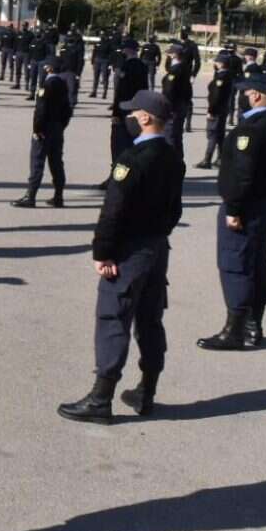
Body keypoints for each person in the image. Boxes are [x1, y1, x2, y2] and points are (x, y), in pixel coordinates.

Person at [58, 90, 184, 422]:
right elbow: (175, 210)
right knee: (150, 319)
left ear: (144, 118)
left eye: (132, 113)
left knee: (113, 318)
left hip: (129, 251)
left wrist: (103, 252)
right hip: (157, 248)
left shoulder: (131, 160)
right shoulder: (172, 157)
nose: (128, 118)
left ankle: (101, 398)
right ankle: (147, 388)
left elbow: (113, 211)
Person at [198, 74, 266, 351]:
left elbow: (242, 173)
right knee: (256, 263)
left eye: (247, 93)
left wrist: (234, 208)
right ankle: (252, 324)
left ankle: (234, 329)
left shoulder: (250, 130)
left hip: (246, 207)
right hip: (265, 202)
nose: (244, 98)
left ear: (256, 95)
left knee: (235, 264)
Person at [11, 57, 71, 208]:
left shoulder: (46, 85)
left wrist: (37, 129)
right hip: (57, 128)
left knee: (37, 162)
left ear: (49, 68)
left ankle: (30, 196)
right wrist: (61, 126)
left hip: (45, 128)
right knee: (56, 163)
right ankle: (58, 196)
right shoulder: (63, 84)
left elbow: (40, 111)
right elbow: (68, 110)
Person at [106, 39, 150, 172]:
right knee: (134, 142)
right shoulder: (143, 66)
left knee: (119, 145)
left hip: (124, 110)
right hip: (138, 108)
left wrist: (115, 113)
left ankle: (118, 174)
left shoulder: (127, 66)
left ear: (128, 50)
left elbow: (121, 92)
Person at [195, 52, 236, 169]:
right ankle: (221, 158)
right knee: (219, 134)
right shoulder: (227, 75)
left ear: (222, 64)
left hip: (217, 110)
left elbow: (216, 96)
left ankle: (207, 159)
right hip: (223, 109)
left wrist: (211, 111)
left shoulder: (221, 77)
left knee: (212, 134)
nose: (215, 63)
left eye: (217, 61)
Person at [159, 43, 193, 152]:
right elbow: (189, 90)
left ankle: (171, 159)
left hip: (173, 108)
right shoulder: (185, 67)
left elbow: (169, 91)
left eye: (169, 54)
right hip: (181, 106)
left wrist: (165, 107)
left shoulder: (175, 70)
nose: (168, 57)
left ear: (174, 55)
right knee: (177, 136)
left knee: (170, 137)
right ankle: (178, 159)